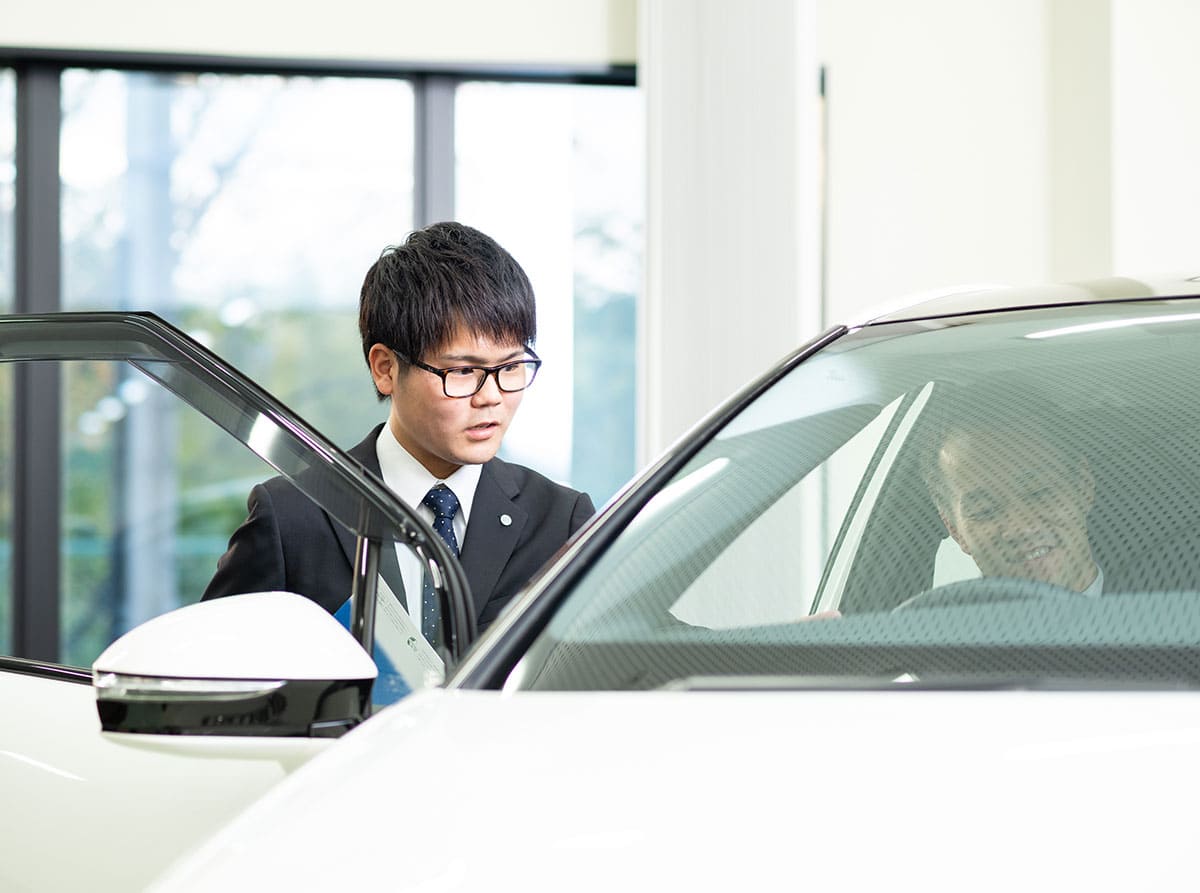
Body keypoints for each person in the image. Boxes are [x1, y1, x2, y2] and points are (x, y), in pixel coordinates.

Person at [203, 221, 596, 638]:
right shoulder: (292, 518)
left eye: (511, 367)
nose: (491, 396)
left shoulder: (561, 523)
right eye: (463, 371)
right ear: (385, 368)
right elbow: (209, 679)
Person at [919, 403, 1102, 594]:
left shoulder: (1135, 602)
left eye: (1039, 492)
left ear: (1083, 487)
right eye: (985, 511)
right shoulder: (937, 622)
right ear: (956, 532)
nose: (1021, 527)